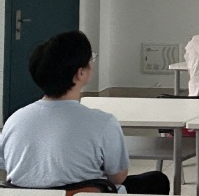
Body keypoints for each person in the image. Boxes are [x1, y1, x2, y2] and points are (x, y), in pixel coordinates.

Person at [0, 30, 169, 194]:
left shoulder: (14, 120)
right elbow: (118, 177)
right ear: (80, 73)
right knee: (157, 180)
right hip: (83, 193)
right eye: (91, 59)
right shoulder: (102, 122)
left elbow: (6, 166)